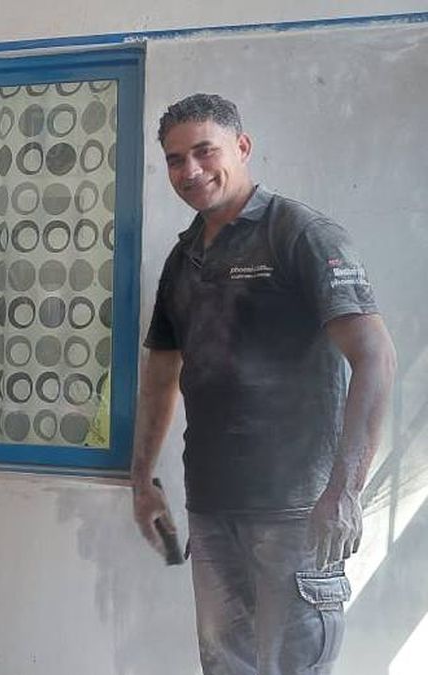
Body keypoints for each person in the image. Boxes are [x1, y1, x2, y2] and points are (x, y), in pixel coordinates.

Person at [131, 93, 396, 675]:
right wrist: (143, 477)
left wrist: (345, 491)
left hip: (298, 512)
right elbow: (160, 374)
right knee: (224, 665)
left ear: (242, 147)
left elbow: (375, 357)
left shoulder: (299, 234)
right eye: (176, 159)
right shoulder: (184, 258)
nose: (191, 170)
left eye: (205, 151)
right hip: (213, 507)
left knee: (293, 667)